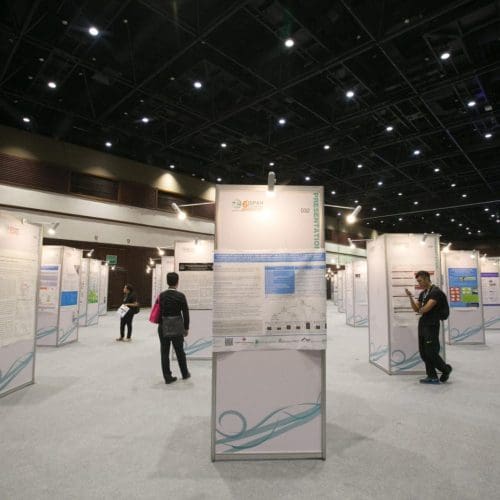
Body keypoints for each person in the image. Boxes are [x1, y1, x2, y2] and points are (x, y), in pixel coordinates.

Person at [405, 271, 452, 384]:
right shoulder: (423, 293)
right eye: (417, 281)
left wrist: (420, 309)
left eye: (420, 281)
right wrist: (410, 297)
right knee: (423, 353)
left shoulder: (436, 292)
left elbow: (426, 308)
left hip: (431, 325)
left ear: (427, 279)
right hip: (423, 324)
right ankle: (432, 376)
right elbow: (417, 309)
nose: (419, 283)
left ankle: (446, 369)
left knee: (430, 352)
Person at [158, 272, 190, 384]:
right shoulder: (181, 296)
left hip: (164, 326)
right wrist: (186, 328)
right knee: (180, 351)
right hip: (177, 326)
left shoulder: (162, 295)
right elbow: (185, 313)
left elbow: (159, 311)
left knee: (164, 352)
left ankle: (167, 377)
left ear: (167, 282)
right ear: (177, 282)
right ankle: (185, 374)